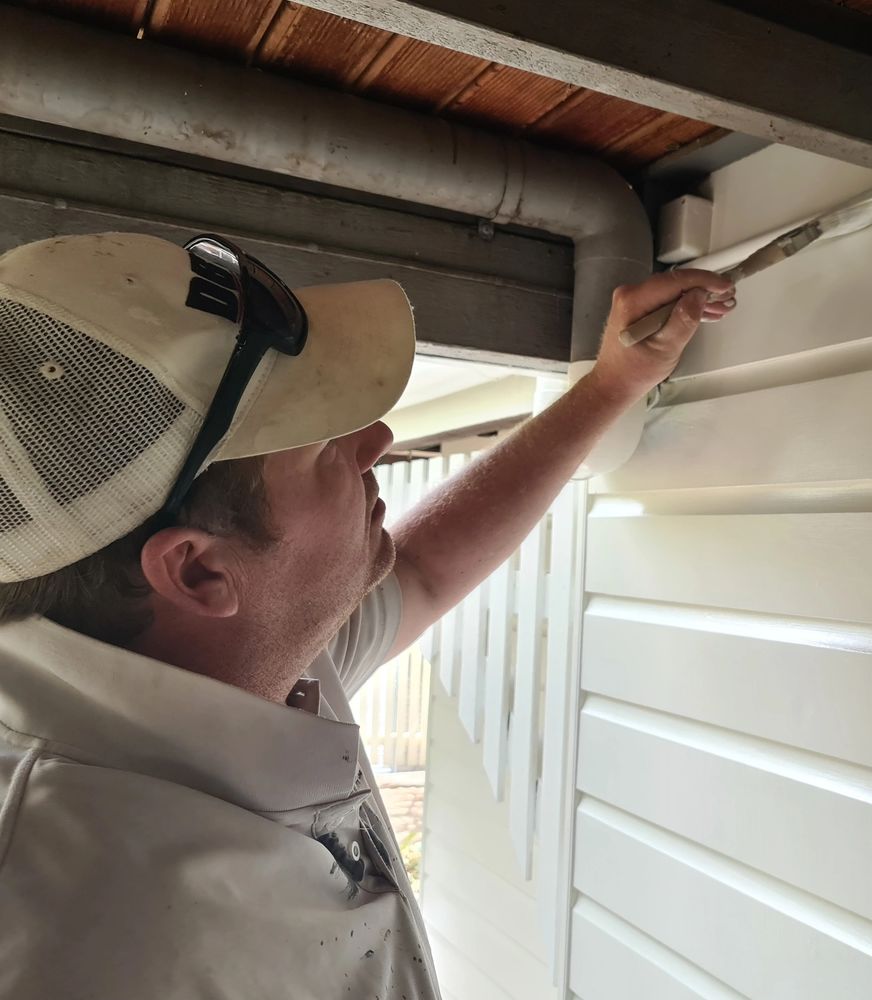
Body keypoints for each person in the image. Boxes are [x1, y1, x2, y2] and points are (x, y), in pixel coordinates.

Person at [0, 231, 735, 998]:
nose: (376, 441)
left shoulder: (225, 654)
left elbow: (420, 569)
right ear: (199, 568)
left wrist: (613, 383)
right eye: (318, 449)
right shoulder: (86, 941)